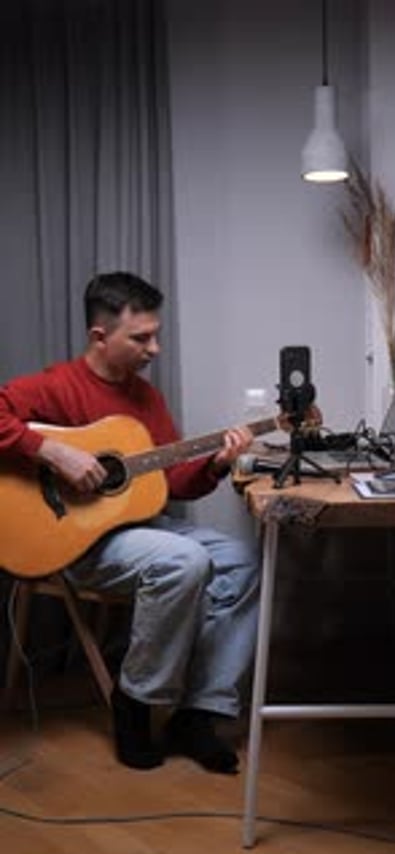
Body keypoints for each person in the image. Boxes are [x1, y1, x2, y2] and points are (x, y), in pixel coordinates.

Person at [0, 271, 260, 773]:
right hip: (71, 541)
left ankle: (199, 713)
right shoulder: (57, 385)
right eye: (141, 337)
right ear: (100, 336)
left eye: (155, 334)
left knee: (241, 559)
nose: (155, 348)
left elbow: (175, 484)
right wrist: (53, 452)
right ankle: (136, 702)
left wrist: (218, 462)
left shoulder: (146, 399)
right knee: (183, 560)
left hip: (139, 532)